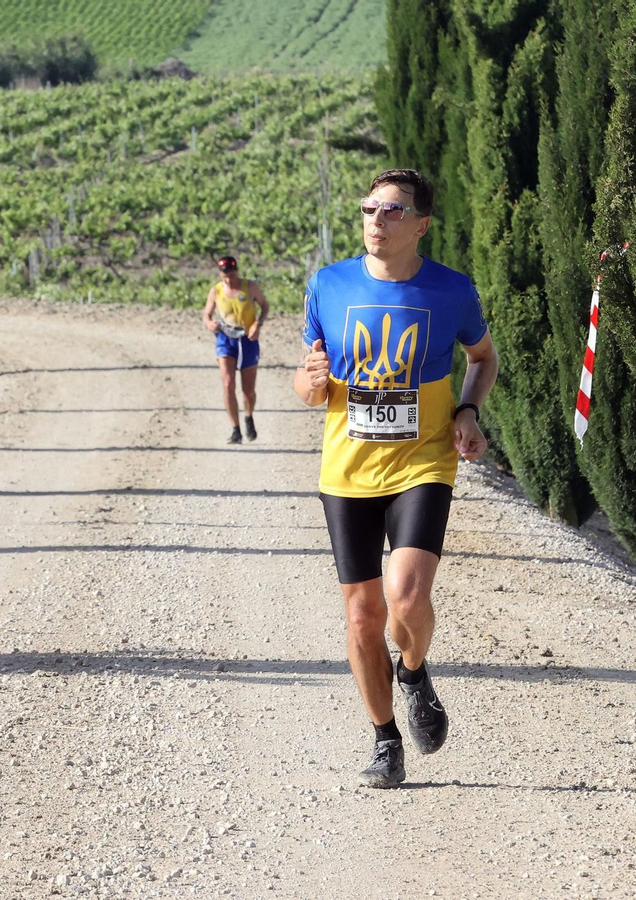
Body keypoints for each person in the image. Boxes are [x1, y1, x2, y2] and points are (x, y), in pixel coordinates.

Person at [294, 169, 498, 788]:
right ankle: (385, 739)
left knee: (407, 598)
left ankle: (412, 671)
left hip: (422, 461)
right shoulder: (328, 285)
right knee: (362, 617)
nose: (376, 221)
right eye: (368, 209)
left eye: (392, 211)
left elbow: (483, 358)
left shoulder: (452, 291)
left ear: (421, 224)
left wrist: (467, 411)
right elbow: (307, 386)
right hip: (347, 470)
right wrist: (313, 381)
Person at [201, 255, 268, 444]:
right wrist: (209, 323)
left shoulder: (250, 287)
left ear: (236, 271)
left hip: (247, 339)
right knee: (228, 383)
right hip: (225, 339)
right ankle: (235, 429)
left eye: (231, 274)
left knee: (248, 390)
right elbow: (206, 313)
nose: (228, 279)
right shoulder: (216, 291)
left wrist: (258, 323)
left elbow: (264, 305)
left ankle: (248, 417)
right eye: (224, 276)